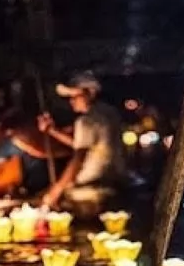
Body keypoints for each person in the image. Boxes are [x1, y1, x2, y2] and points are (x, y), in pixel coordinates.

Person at [37, 72, 126, 209]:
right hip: (115, 181)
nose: (71, 101)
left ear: (90, 94)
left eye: (75, 96)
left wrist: (56, 190)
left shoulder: (86, 121)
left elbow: (78, 158)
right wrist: (52, 130)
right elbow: (82, 144)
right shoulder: (110, 113)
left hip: (91, 186)